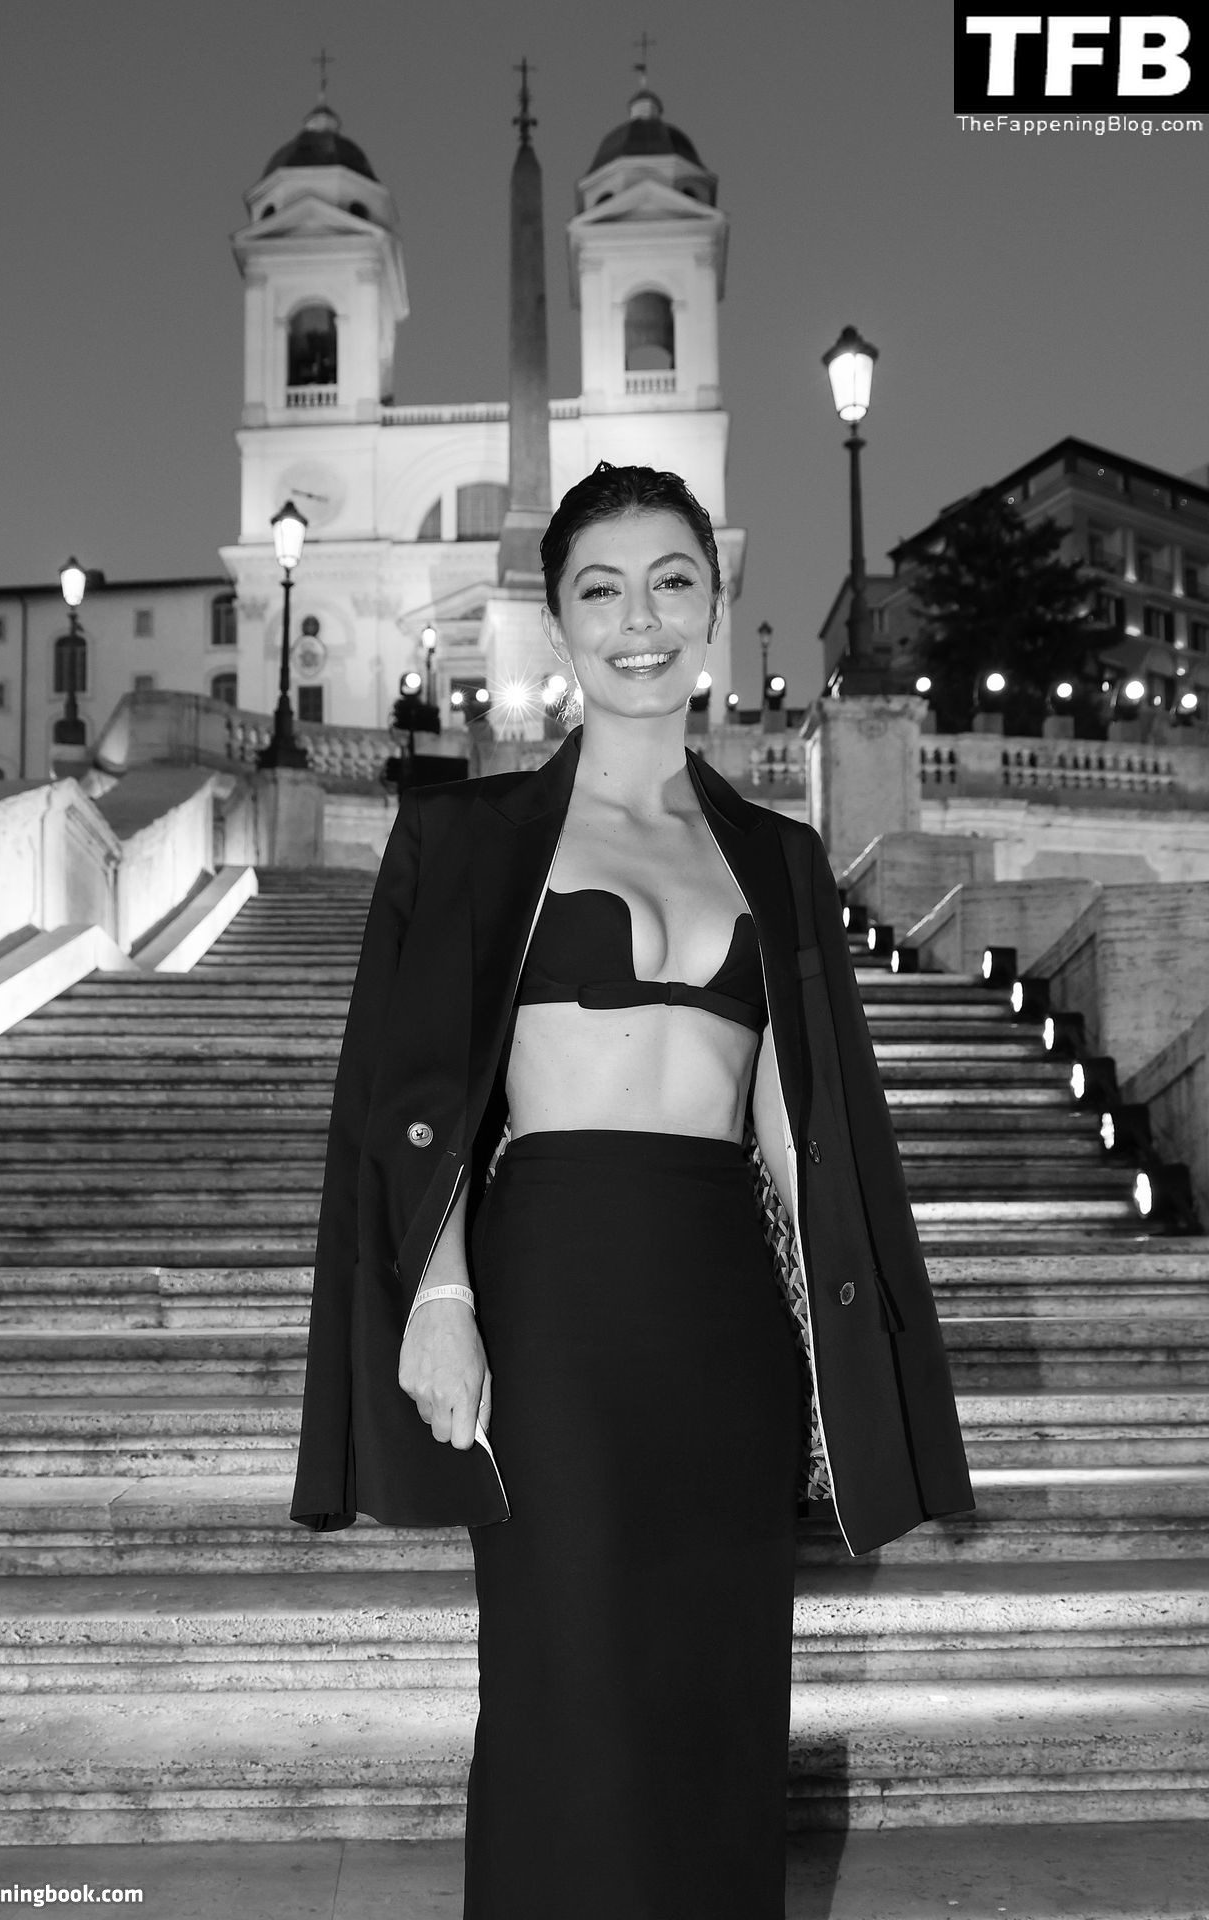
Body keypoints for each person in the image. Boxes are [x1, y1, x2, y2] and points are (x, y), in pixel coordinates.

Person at [291, 462, 974, 1919]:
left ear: (715, 607)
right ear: (559, 622)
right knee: (566, 1692)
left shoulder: (779, 858)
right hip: (550, 1300)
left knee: (716, 1693)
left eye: (673, 582)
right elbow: (410, 1088)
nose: (640, 620)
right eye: (601, 590)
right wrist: (440, 1296)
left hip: (723, 1314)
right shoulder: (469, 838)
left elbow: (797, 1117)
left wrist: (845, 1341)